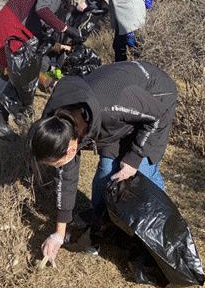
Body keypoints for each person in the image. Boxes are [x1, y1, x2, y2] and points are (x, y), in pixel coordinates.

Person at [28, 61, 178, 264]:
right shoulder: (56, 123)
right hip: (115, 120)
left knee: (142, 173)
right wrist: (59, 234)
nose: (58, 168)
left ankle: (162, 230)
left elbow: (157, 116)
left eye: (57, 162)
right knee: (107, 171)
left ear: (72, 148)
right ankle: (100, 220)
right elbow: (66, 175)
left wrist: (133, 158)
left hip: (156, 98)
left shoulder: (113, 104)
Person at [0, 0, 87, 138]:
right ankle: (0, 121)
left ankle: (21, 115)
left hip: (21, 27)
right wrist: (65, 29)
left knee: (24, 74)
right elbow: (42, 9)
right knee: (21, 74)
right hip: (14, 25)